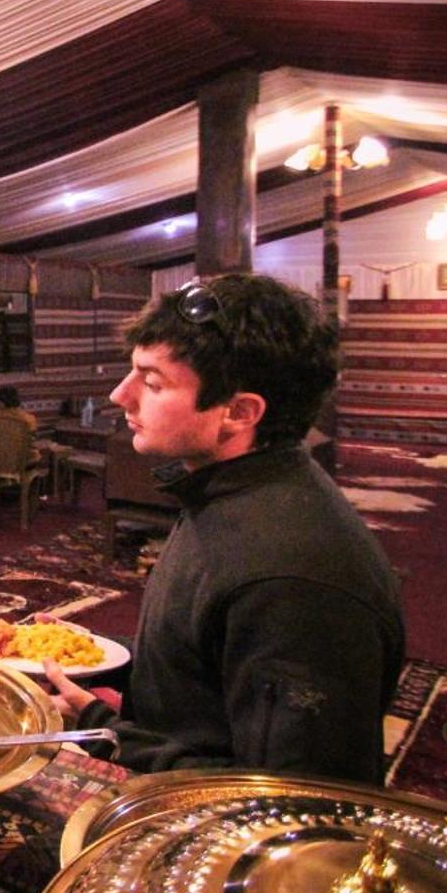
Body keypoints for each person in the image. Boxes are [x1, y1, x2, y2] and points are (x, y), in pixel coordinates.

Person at [44, 273, 404, 784]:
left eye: (152, 382)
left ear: (238, 412)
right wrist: (86, 660)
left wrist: (99, 725)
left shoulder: (292, 580)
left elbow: (292, 795)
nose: (119, 394)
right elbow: (202, 664)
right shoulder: (228, 493)